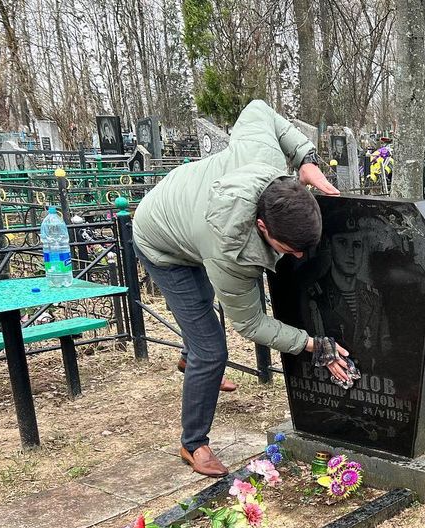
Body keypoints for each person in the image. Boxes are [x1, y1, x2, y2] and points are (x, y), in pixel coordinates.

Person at [133, 100, 350, 477]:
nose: (298, 257)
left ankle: (191, 358)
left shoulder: (262, 155)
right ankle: (193, 442)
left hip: (189, 208)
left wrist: (305, 157)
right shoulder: (229, 253)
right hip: (161, 240)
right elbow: (249, 324)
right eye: (290, 250)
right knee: (211, 348)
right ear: (264, 229)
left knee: (202, 313)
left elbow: (258, 109)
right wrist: (312, 344)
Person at [305, 220, 392, 369]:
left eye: (357, 245)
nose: (351, 253)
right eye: (342, 242)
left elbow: (383, 348)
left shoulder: (373, 297)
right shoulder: (314, 294)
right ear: (330, 245)